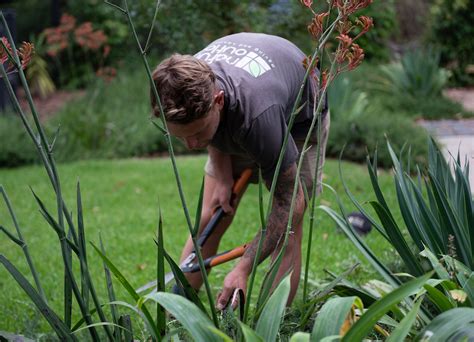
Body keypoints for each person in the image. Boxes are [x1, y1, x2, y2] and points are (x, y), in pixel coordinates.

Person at [150, 32, 329, 309]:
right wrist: (222, 173)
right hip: (241, 110)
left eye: (197, 134)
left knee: (288, 229)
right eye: (180, 137)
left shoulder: (258, 115)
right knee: (212, 213)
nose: (191, 146)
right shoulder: (183, 84)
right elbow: (209, 128)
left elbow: (289, 201)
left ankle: (271, 327)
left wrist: (244, 266)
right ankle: (177, 313)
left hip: (299, 118)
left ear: (218, 101)